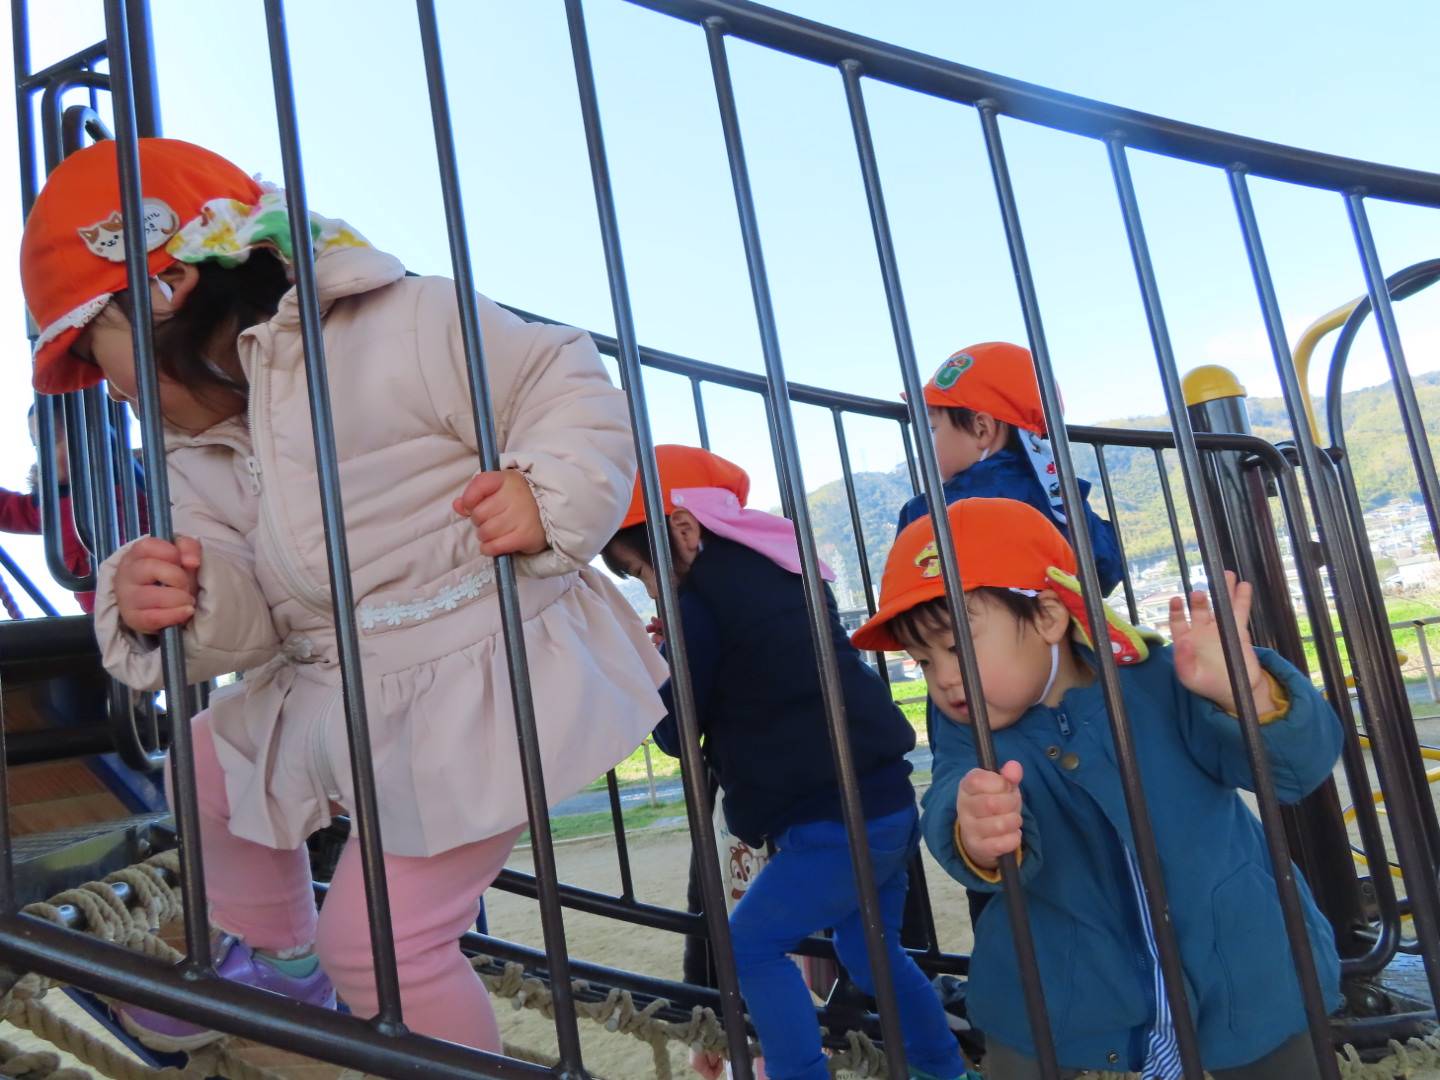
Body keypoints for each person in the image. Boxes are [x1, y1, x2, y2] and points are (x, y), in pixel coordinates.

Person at [18, 137, 666, 1053]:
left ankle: (361, 990)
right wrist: (169, 600)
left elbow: (560, 377)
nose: (117, 395)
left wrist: (546, 489)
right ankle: (282, 966)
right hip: (332, 681)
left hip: (475, 675)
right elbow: (244, 612)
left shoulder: (400, 325)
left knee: (386, 952)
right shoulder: (192, 447)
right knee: (201, 760)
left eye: (100, 354)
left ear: (164, 294)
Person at [851, 498, 1343, 1079]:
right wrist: (971, 829)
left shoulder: (1161, 677)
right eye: (923, 661)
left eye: (957, 646)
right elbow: (950, 797)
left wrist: (1246, 692)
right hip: (1055, 994)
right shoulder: (966, 727)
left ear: (1049, 617)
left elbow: (1296, 770)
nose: (944, 677)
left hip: (1247, 965)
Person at [602, 445, 973, 1080]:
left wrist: (645, 664)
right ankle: (947, 1070)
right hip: (883, 803)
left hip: (826, 823)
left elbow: (675, 728)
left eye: (643, 570)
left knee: (749, 944)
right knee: (872, 952)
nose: (649, 586)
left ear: (684, 533)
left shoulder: (700, 605)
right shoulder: (786, 569)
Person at [895, 342, 1123, 597]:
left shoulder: (930, 512)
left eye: (932, 429)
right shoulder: (1062, 496)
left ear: (982, 429)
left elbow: (906, 596)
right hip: (1069, 634)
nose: (927, 444)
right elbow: (1105, 569)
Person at [0, 404, 145, 613]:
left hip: (153, 601)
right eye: (38, 446)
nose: (44, 456)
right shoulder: (50, 504)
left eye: (52, 440)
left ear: (97, 436)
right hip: (101, 617)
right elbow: (7, 509)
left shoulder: (138, 482)